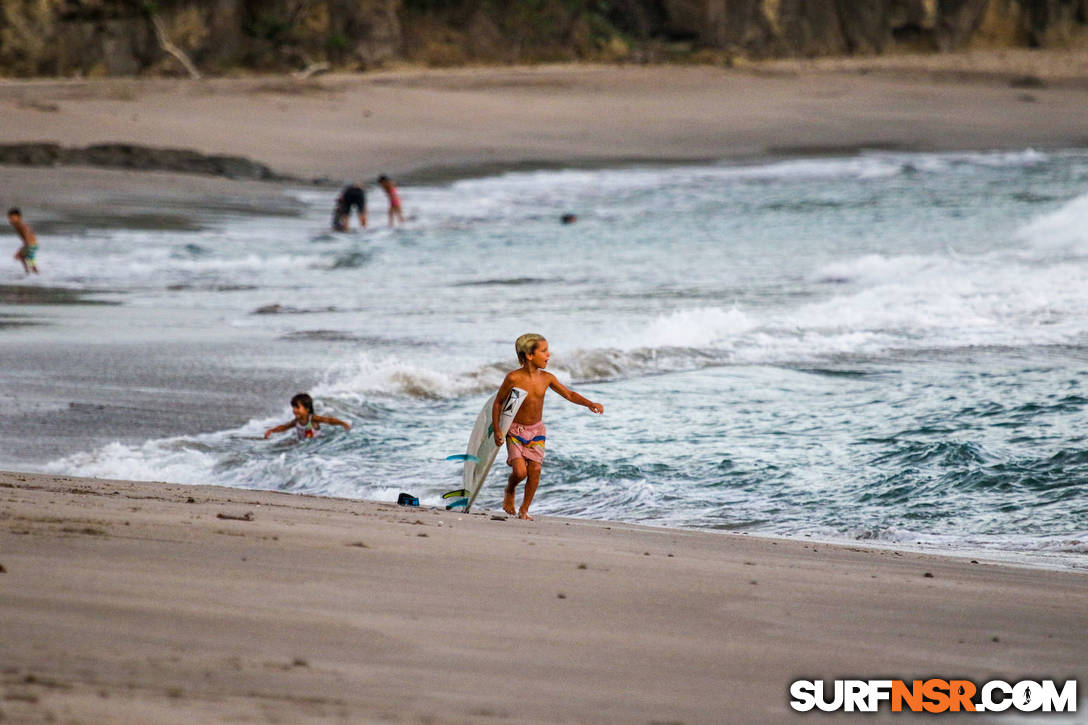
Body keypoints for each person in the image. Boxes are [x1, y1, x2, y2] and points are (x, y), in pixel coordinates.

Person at [492, 333, 603, 520]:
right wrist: (497, 429)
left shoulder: (547, 378)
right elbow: (498, 403)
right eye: (544, 351)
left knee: (534, 470)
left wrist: (589, 403)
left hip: (536, 431)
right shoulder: (513, 378)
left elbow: (569, 394)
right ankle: (510, 491)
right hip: (515, 430)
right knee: (520, 472)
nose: (548, 355)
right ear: (529, 355)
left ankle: (524, 509)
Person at [264, 393, 351, 440]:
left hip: (316, 445)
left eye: (297, 407)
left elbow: (329, 420)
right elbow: (285, 427)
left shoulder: (312, 419)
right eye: (293, 407)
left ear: (307, 409)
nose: (294, 410)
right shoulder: (297, 421)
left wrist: (342, 423)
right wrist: (272, 430)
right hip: (305, 447)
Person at [8, 208, 39, 274]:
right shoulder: (17, 225)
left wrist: (21, 248)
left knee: (26, 258)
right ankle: (29, 272)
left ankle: (33, 273)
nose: (11, 220)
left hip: (30, 244)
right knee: (24, 258)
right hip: (32, 244)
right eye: (10, 218)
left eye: (13, 218)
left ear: (19, 217)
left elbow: (27, 233)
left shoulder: (21, 225)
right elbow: (30, 230)